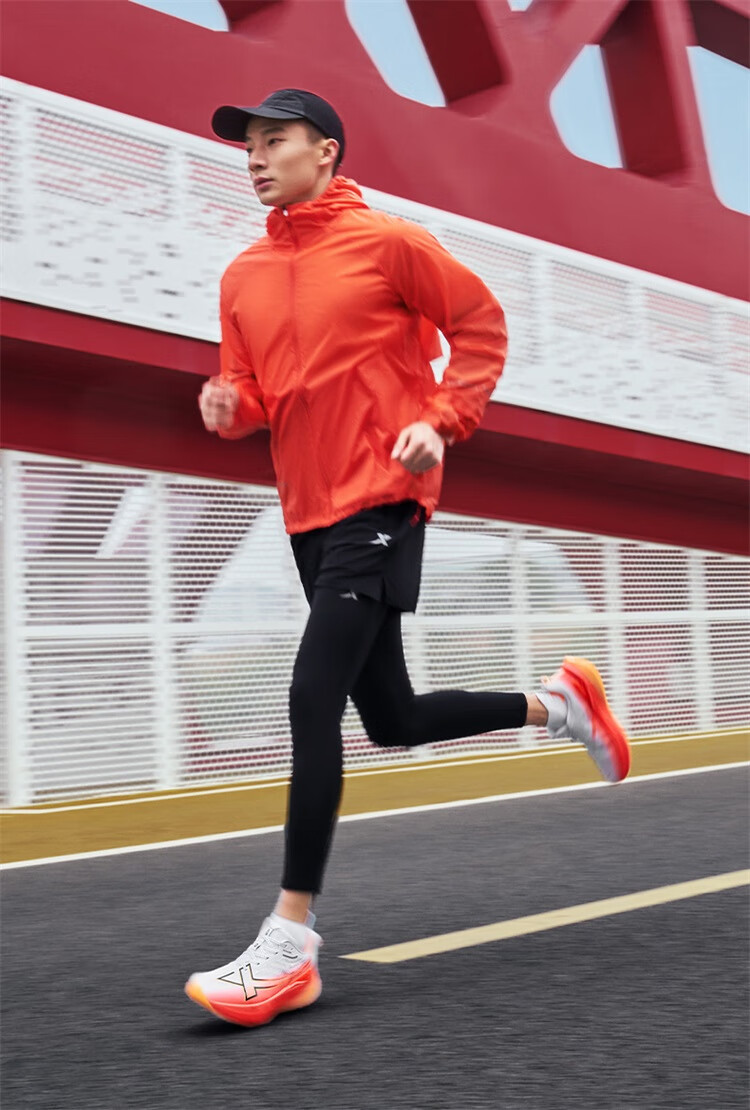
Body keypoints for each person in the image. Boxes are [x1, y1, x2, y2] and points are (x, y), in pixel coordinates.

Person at [185, 89, 631, 1028]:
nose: (255, 157)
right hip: (308, 513)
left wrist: (442, 419)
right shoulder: (243, 274)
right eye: (248, 145)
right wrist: (230, 406)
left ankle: (289, 945)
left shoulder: (389, 243)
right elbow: (255, 388)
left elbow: (481, 324)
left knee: (310, 697)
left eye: (274, 140)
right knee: (389, 717)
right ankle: (560, 703)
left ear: (326, 151)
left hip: (383, 494)